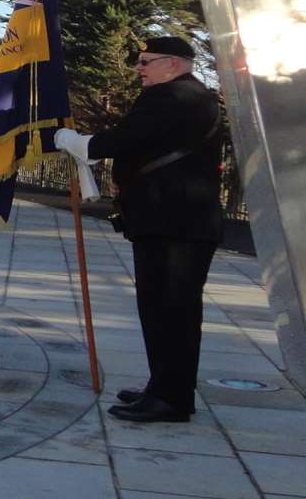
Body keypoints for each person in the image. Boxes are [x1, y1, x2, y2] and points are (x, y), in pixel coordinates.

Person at [55, 34, 224, 424]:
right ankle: (163, 386)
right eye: (140, 61)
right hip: (177, 222)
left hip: (173, 223)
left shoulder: (170, 97)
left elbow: (122, 140)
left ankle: (172, 398)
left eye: (147, 61)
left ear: (174, 64)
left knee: (170, 311)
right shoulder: (194, 97)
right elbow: (145, 146)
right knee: (165, 310)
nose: (139, 68)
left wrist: (77, 142)